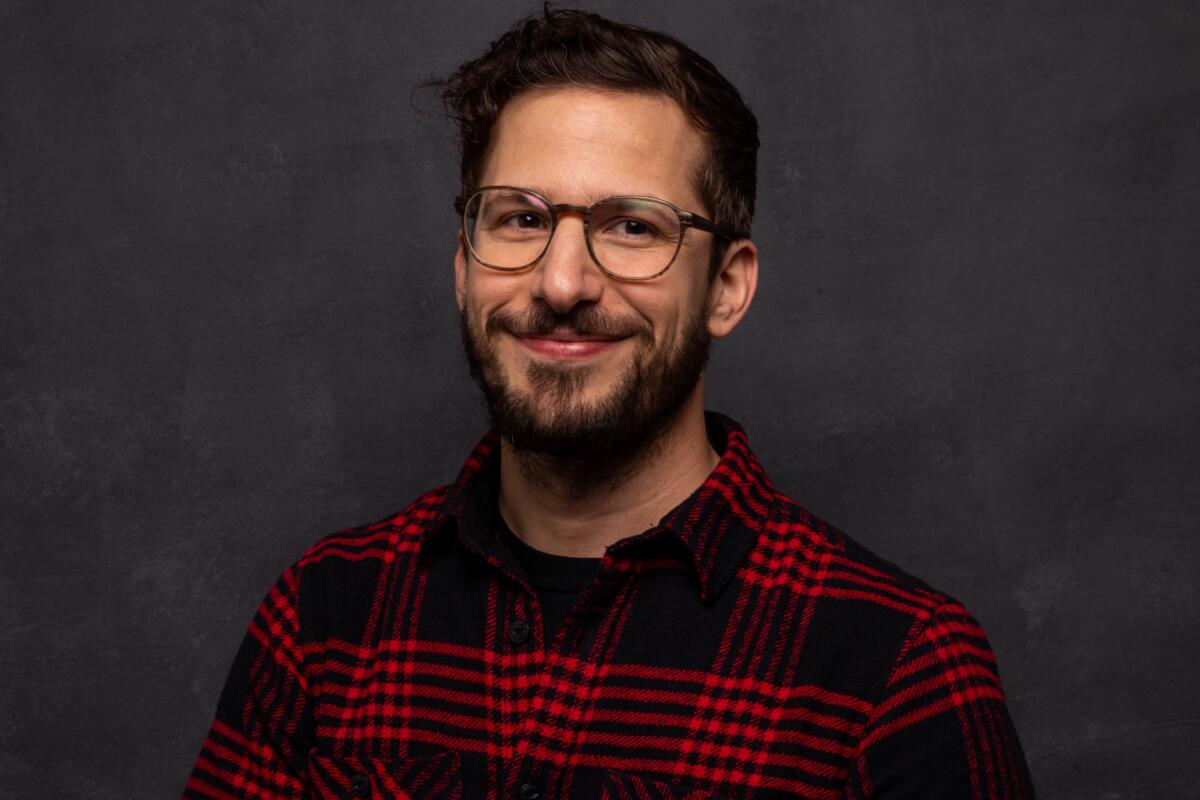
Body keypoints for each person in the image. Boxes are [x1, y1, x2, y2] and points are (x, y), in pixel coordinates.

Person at [183, 8, 1034, 799]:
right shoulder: (325, 615)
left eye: (634, 226)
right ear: (463, 266)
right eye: (519, 218)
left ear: (727, 289)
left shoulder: (897, 664)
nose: (561, 283)